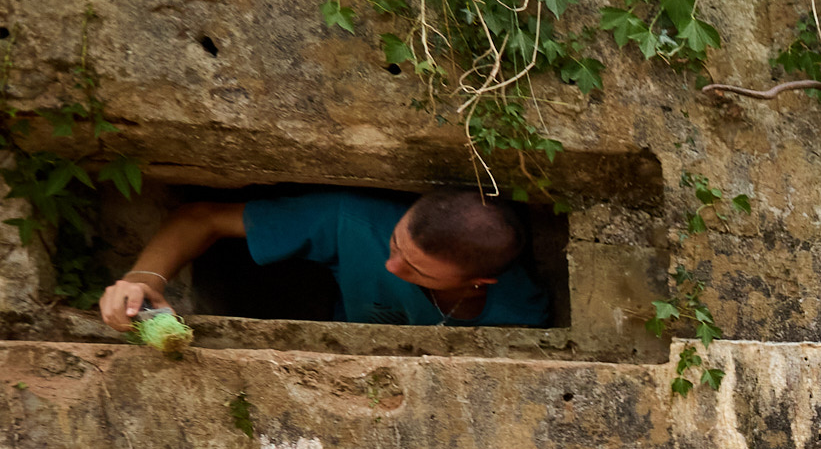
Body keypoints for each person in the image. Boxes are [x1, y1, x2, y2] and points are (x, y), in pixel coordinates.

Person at [98, 188, 549, 331]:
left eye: (417, 271)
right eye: (396, 245)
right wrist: (145, 280)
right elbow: (202, 218)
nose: (391, 267)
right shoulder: (356, 222)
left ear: (478, 282)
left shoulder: (521, 314)